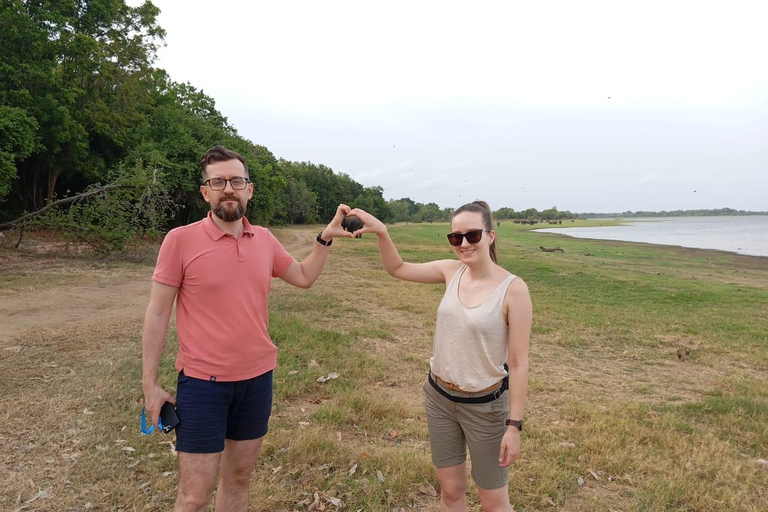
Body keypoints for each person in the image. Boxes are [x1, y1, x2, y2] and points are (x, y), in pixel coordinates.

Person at [141, 145, 353, 512]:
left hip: (256, 380)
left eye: (236, 181)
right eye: (218, 181)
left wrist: (325, 238)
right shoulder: (180, 240)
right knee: (193, 495)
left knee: (238, 481)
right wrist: (149, 384)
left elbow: (303, 277)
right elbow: (157, 314)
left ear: (249, 190)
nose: (228, 188)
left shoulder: (265, 240)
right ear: (205, 191)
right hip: (202, 384)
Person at [348, 201, 532, 512]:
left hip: (486, 407)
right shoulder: (451, 271)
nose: (463, 244)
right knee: (450, 491)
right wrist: (381, 231)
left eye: (472, 235)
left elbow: (518, 363)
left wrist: (513, 426)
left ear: (490, 236)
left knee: (494, 503)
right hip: (440, 399)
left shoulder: (513, 290)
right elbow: (398, 268)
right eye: (455, 237)